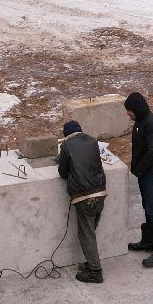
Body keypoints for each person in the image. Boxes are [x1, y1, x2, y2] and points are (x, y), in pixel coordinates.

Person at [55, 120, 107, 284]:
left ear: (66, 135)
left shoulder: (67, 146)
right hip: (101, 193)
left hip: (84, 197)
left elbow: (63, 173)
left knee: (86, 234)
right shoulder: (92, 141)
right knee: (90, 232)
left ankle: (95, 271)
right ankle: (92, 262)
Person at [123, 91, 153, 267]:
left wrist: (140, 168)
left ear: (137, 109)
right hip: (146, 173)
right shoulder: (140, 122)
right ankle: (148, 240)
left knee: (151, 210)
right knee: (147, 207)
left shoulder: (151, 124)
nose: (127, 113)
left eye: (129, 110)